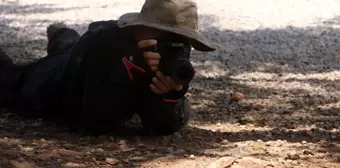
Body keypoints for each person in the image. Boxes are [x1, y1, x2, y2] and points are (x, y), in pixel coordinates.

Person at [0, 0, 216, 136]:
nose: (172, 46)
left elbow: (164, 126)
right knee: (9, 81)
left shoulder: (172, 58)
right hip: (59, 78)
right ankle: (63, 38)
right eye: (164, 36)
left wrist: (171, 99)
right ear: (140, 29)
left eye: (181, 40)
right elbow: (93, 120)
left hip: (77, 55)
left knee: (68, 46)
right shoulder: (105, 42)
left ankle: (63, 35)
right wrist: (129, 68)